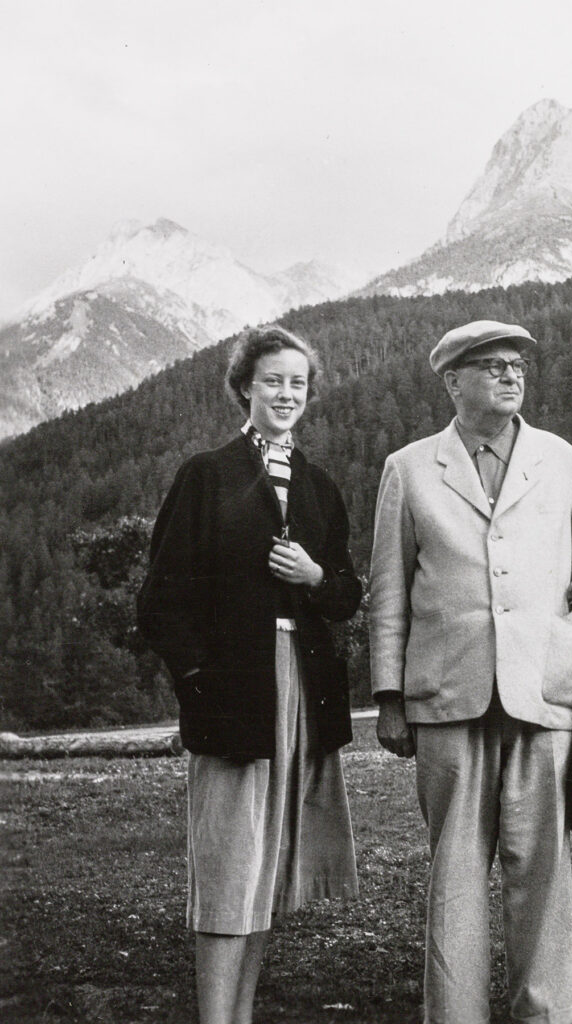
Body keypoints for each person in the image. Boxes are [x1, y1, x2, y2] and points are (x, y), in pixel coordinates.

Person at [369, 320, 572, 1024]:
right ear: (452, 381)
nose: (511, 375)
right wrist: (389, 694)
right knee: (454, 874)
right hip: (446, 696)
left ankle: (547, 1014)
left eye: (518, 364)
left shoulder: (561, 459)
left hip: (543, 690)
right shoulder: (410, 467)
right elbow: (388, 584)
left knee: (541, 871)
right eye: (491, 365)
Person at [137, 325, 361, 1024]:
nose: (286, 393)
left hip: (302, 687)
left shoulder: (320, 486)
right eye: (272, 381)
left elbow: (349, 595)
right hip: (235, 692)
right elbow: (162, 602)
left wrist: (316, 576)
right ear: (245, 388)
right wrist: (200, 682)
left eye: (298, 382)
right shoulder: (208, 474)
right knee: (232, 862)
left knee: (267, 866)